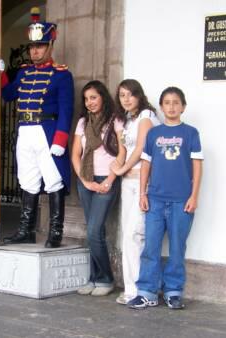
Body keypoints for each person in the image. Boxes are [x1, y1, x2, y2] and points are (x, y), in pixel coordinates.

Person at [0, 7, 74, 248]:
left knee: (53, 181)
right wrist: (0, 74)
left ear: (50, 47)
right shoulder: (24, 73)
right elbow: (7, 95)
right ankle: (26, 230)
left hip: (47, 130)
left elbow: (66, 108)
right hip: (25, 130)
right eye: (32, 47)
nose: (35, 51)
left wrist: (60, 139)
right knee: (27, 180)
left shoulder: (61, 75)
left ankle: (55, 232)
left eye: (40, 46)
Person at [127, 87, 203, 309]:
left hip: (181, 201)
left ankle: (173, 290)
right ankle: (147, 291)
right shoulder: (153, 134)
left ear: (183, 106)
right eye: (167, 103)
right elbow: (146, 165)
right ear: (161, 107)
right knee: (151, 246)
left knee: (178, 247)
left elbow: (197, 167)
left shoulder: (191, 133)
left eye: (176, 102)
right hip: (155, 201)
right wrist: (143, 193)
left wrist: (194, 196)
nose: (171, 106)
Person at [71, 80, 126, 297]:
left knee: (94, 230)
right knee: (95, 231)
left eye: (93, 97)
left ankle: (106, 279)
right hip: (86, 180)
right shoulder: (83, 123)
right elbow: (76, 154)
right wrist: (84, 180)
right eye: (86, 99)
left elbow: (122, 152)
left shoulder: (116, 121)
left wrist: (110, 179)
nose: (89, 102)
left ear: (103, 96)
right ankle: (94, 278)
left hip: (107, 179)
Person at [110, 79, 160, 305]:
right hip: (127, 183)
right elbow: (125, 149)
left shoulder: (146, 116)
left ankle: (141, 290)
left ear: (139, 95)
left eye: (130, 94)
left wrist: (122, 168)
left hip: (143, 183)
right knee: (128, 235)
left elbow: (141, 149)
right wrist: (116, 168)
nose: (126, 99)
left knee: (135, 234)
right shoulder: (128, 120)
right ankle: (132, 288)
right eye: (122, 95)